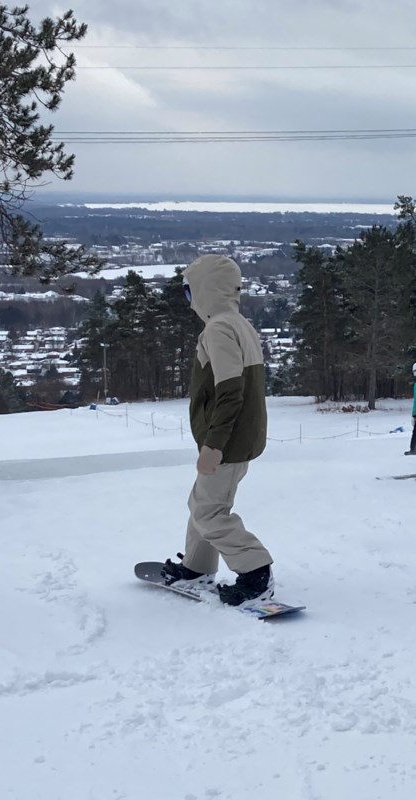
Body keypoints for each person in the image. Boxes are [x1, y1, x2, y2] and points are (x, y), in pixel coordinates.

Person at [160, 254, 276, 606]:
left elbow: (230, 390)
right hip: (241, 436)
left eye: (188, 292)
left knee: (210, 512)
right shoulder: (238, 323)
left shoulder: (219, 328)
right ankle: (197, 566)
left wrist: (213, 445)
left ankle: (256, 573)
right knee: (202, 502)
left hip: (227, 441)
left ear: (205, 290)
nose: (188, 301)